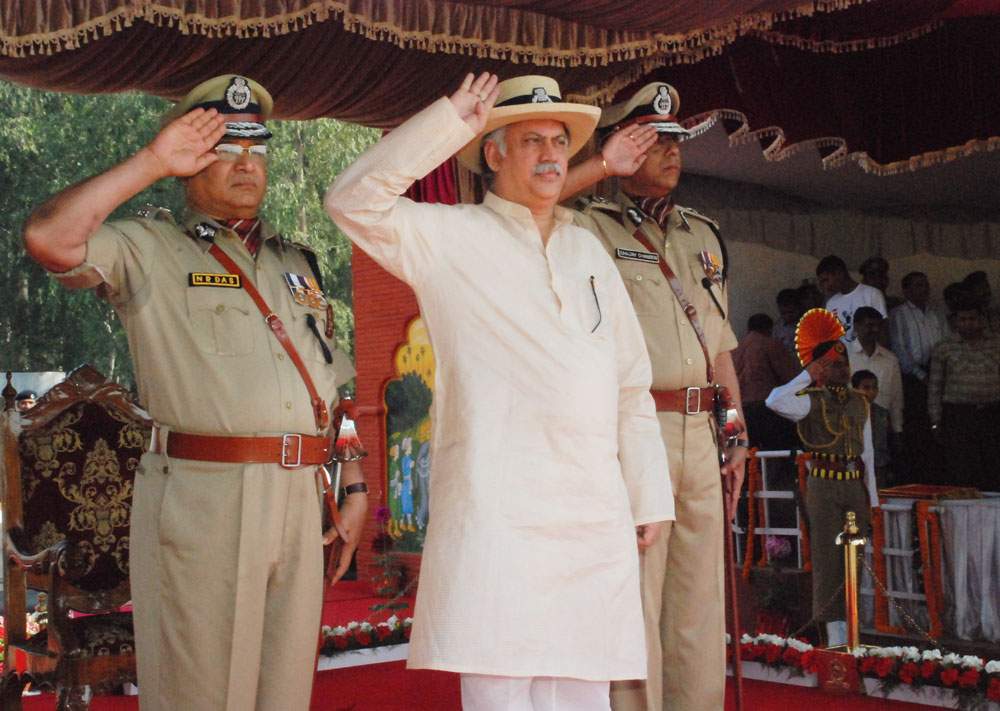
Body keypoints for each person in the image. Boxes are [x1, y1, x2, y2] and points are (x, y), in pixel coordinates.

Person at [325, 73, 673, 711]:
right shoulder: (450, 238)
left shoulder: (587, 251)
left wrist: (647, 490)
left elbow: (630, 386)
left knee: (586, 700)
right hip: (499, 521)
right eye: (531, 140)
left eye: (559, 141)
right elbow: (351, 201)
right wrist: (450, 120)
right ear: (493, 153)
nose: (549, 155)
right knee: (503, 698)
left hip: (593, 519)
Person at [21, 75, 367, 711]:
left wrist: (353, 486)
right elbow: (50, 238)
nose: (245, 164)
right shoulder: (151, 248)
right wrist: (151, 162)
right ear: (188, 165)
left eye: (256, 150)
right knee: (200, 692)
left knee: (283, 692)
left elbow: (332, 389)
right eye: (223, 148)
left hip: (298, 501)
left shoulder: (297, 264)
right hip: (206, 497)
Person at [568, 82, 748, 711]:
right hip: (633, 433)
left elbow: (718, 341)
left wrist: (737, 433)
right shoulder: (586, 225)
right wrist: (599, 162)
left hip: (702, 434)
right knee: (637, 597)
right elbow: (524, 204)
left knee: (700, 602)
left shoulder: (703, 233)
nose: (670, 151)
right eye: (652, 139)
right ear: (624, 143)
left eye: (674, 139)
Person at [766, 309, 877, 648]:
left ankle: (854, 635)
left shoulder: (860, 403)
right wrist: (808, 374)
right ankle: (834, 640)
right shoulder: (808, 400)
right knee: (829, 561)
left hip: (852, 482)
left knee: (856, 562)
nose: (839, 370)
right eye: (831, 365)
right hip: (823, 483)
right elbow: (774, 400)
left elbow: (867, 454)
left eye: (842, 365)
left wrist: (871, 500)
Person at [928, 294, 1000, 491]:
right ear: (955, 321)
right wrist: (935, 421)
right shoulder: (943, 347)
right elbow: (935, 387)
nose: (969, 324)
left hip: (993, 414)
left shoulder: (997, 343)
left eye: (973, 319)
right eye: (963, 319)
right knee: (962, 468)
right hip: (959, 416)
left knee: (994, 466)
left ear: (982, 319)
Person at [889, 271, 948, 483]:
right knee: (918, 429)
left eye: (926, 284)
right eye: (918, 285)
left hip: (939, 371)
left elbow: (947, 342)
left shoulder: (937, 313)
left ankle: (940, 475)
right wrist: (920, 375)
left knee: (941, 424)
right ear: (906, 290)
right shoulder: (899, 314)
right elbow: (899, 348)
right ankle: (921, 477)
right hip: (913, 378)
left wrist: (940, 373)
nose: (924, 289)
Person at [846, 306, 903, 478]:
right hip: (850, 422)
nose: (875, 330)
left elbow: (896, 398)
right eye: (870, 325)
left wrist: (898, 430)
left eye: (878, 326)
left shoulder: (889, 359)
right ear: (856, 326)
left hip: (880, 424)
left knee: (879, 469)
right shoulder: (843, 355)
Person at [733, 314, 800, 450]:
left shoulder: (735, 350)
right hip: (768, 407)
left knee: (752, 456)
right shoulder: (770, 344)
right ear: (769, 329)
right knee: (781, 451)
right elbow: (791, 376)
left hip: (742, 410)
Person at [816, 255, 886, 341]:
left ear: (839, 273)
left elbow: (883, 331)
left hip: (867, 353)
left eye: (826, 280)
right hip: (842, 353)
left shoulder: (872, 294)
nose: (825, 286)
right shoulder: (831, 303)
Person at [852, 369, 891, 488]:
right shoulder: (848, 412)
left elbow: (885, 440)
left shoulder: (881, 413)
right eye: (866, 388)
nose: (871, 391)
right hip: (855, 463)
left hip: (878, 463)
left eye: (874, 388)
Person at [773, 288, 804, 355]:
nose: (787, 316)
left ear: (799, 307)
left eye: (791, 312)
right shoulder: (777, 329)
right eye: (784, 313)